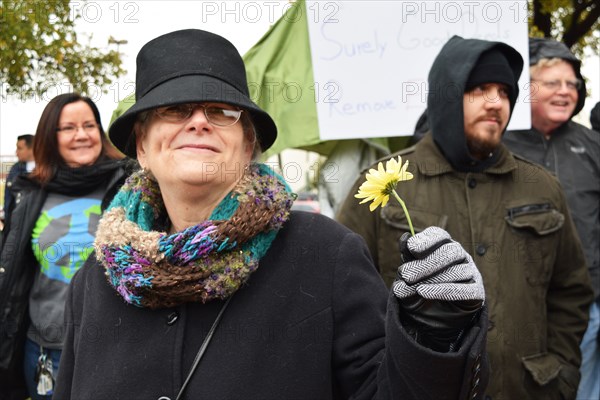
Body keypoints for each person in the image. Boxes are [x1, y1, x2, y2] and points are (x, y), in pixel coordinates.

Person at [54, 29, 490, 400]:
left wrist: (433, 337)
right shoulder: (94, 281)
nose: (199, 122)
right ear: (143, 148)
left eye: (222, 111)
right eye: (174, 109)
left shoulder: (327, 254)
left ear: (247, 147)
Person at [337, 35, 594, 400]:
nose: (496, 103)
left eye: (504, 92)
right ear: (446, 95)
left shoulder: (542, 186)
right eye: (480, 89)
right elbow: (345, 299)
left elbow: (571, 290)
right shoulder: (385, 183)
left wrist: (562, 373)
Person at [0, 93, 130, 400]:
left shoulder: (129, 184)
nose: (82, 135)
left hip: (111, 349)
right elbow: (14, 270)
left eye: (89, 125)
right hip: (44, 350)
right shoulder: (28, 191)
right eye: (68, 127)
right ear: (50, 136)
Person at [503, 37, 600, 400]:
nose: (565, 92)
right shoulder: (499, 143)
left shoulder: (592, 146)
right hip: (515, 306)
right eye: (552, 83)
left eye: (572, 84)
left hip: (584, 310)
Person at [3, 134, 35, 219]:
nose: (16, 152)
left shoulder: (47, 169)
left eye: (20, 148)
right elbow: (8, 200)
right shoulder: (15, 169)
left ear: (32, 148)